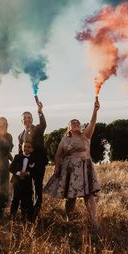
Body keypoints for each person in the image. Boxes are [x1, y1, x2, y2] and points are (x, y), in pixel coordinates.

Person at [44, 97, 101, 229]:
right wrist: (57, 167)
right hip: (69, 169)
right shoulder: (64, 139)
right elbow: (58, 155)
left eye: (77, 121)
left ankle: (93, 221)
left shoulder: (85, 135)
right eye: (72, 122)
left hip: (84, 167)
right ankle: (69, 219)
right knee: (71, 196)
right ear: (68, 128)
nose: (76, 122)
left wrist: (95, 110)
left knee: (89, 194)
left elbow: (92, 122)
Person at [18, 96, 47, 216]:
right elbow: (20, 152)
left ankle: (36, 210)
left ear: (32, 119)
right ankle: (28, 210)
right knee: (27, 188)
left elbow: (44, 124)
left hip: (39, 163)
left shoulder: (38, 129)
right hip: (27, 166)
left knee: (38, 187)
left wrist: (40, 111)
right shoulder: (20, 136)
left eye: (29, 117)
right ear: (22, 121)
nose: (27, 119)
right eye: (25, 118)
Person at [9, 140, 35, 221]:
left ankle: (25, 217)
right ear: (22, 147)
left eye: (29, 147)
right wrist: (19, 173)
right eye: (25, 146)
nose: (26, 148)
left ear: (32, 149)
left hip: (27, 182)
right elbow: (11, 168)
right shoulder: (17, 156)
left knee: (26, 200)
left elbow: (35, 171)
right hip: (17, 181)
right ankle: (12, 217)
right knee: (15, 199)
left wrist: (28, 173)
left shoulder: (33, 159)